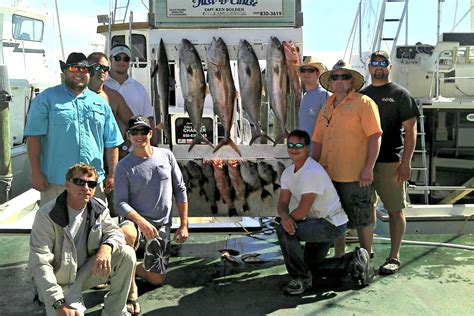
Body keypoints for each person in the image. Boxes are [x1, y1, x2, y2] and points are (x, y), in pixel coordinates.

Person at [28, 163, 136, 316]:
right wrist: (58, 302)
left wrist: (107, 247)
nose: (86, 187)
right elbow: (40, 263)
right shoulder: (47, 215)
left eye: (91, 184)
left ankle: (114, 310)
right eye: (79, 182)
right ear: (67, 185)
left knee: (127, 253)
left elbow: (115, 233)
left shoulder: (98, 209)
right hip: (59, 283)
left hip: (86, 273)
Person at [277, 129, 373, 295]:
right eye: (290, 145)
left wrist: (285, 222)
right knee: (310, 266)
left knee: (283, 230)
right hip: (320, 223)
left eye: (299, 145)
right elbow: (282, 202)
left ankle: (301, 279)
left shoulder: (311, 172)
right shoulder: (287, 173)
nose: (294, 148)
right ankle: (353, 260)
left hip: (330, 224)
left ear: (307, 148)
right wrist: (284, 216)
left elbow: (303, 210)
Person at [24, 52, 123, 206]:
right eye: (72, 69)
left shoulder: (101, 104)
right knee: (54, 228)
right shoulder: (46, 99)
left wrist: (113, 174)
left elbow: (112, 142)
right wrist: (36, 173)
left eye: (83, 70)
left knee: (94, 228)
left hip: (92, 184)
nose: (78, 73)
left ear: (89, 73)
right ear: (65, 71)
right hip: (56, 182)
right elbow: (33, 138)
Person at [114, 115, 188, 315]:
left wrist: (183, 225)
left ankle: (124, 266)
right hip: (135, 222)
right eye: (134, 132)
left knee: (156, 279)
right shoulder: (122, 166)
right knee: (126, 235)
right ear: (128, 136)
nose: (139, 136)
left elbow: (180, 189)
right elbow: (119, 203)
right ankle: (131, 293)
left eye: (143, 131)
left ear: (150, 133)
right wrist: (142, 223)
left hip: (162, 225)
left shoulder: (167, 156)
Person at [312, 60, 383, 258]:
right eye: (335, 77)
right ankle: (339, 255)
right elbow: (317, 139)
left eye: (345, 76)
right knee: (336, 217)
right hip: (328, 175)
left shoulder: (364, 103)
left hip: (355, 175)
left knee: (363, 218)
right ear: (331, 81)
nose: (340, 80)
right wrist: (312, 167)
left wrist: (368, 168)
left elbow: (375, 136)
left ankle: (367, 255)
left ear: (352, 81)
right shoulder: (326, 106)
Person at [360, 51, 420, 275]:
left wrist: (406, 162)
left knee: (395, 210)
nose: (378, 67)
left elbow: (411, 130)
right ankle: (367, 251)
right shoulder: (362, 94)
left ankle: (394, 256)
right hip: (364, 163)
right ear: (368, 67)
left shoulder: (400, 94)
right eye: (374, 63)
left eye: (382, 63)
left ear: (389, 67)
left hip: (390, 163)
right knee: (367, 208)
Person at [105, 44, 158, 146]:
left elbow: (148, 119)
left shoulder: (139, 88)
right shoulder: (102, 86)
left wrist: (154, 147)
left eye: (125, 59)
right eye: (117, 58)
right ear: (110, 59)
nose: (121, 62)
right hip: (107, 148)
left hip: (134, 150)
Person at [87, 52, 134, 158]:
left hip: (109, 160)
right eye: (98, 67)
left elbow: (134, 124)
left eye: (105, 68)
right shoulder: (76, 95)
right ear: (87, 67)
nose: (102, 71)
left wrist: (124, 147)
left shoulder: (114, 97)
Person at [295, 56, 330, 136]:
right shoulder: (305, 96)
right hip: (305, 147)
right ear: (300, 74)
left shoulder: (324, 95)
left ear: (317, 73)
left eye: (310, 70)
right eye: (303, 70)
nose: (306, 73)